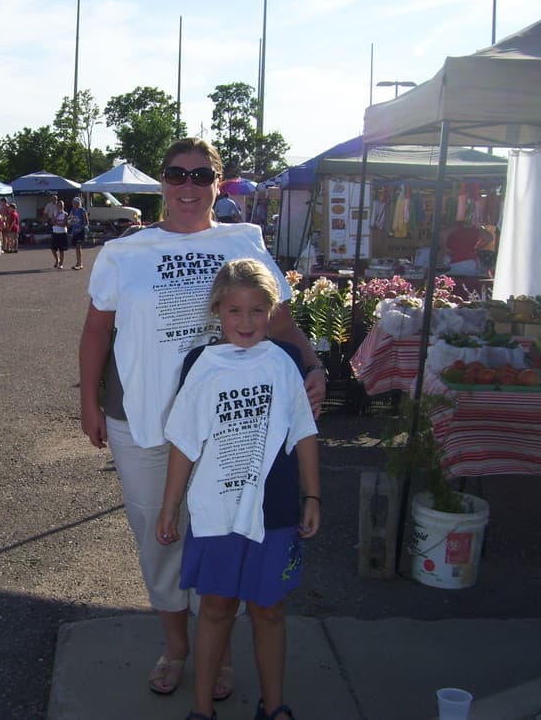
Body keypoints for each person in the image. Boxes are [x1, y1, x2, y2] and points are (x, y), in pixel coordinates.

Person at [78, 138, 326, 703]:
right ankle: (176, 647)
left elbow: (281, 323)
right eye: (176, 174)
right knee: (159, 537)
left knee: (223, 532)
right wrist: (89, 401)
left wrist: (313, 367)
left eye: (199, 175)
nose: (187, 186)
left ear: (218, 183)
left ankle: (220, 650)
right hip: (143, 418)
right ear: (162, 182)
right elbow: (96, 331)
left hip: (233, 425)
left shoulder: (243, 241)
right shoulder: (124, 252)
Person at [157, 258, 320, 720]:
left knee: (269, 610)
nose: (245, 322)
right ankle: (201, 709)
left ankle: (275, 705)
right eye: (234, 311)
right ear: (217, 311)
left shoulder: (287, 360)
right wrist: (170, 506)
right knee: (216, 607)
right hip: (218, 512)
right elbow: (184, 441)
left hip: (277, 509)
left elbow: (304, 433)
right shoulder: (199, 363)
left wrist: (312, 494)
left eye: (256, 311)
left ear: (272, 312)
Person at [68, 196, 88, 270]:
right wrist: (69, 222)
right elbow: (70, 221)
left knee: (78, 246)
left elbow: (86, 222)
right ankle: (78, 262)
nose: (73, 204)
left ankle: (80, 264)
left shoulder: (82, 210)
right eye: (72, 203)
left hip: (81, 231)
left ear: (78, 203)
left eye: (74, 203)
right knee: (76, 248)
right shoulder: (73, 210)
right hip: (74, 231)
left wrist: (80, 228)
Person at [50, 198, 69, 269]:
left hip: (62, 233)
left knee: (61, 250)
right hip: (55, 232)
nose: (60, 207)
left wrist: (57, 223)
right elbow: (52, 222)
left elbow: (64, 224)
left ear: (63, 206)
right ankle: (57, 260)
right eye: (59, 205)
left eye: (61, 205)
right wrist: (57, 216)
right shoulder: (54, 213)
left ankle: (61, 264)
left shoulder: (65, 214)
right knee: (53, 249)